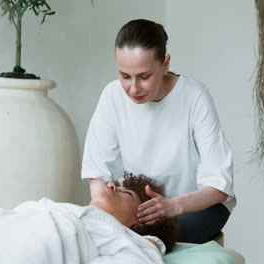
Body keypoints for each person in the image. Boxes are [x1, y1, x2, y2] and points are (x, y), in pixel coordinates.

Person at [82, 18, 235, 244]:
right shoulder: (112, 96)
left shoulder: (193, 96)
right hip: (141, 208)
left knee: (145, 238)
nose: (133, 88)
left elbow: (219, 186)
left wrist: (173, 206)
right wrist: (104, 214)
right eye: (125, 76)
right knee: (103, 234)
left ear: (165, 64)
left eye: (144, 77)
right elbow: (98, 173)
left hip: (195, 207)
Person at [0, 174, 178, 263]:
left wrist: (153, 242)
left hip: (40, 241)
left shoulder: (128, 240)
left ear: (140, 220)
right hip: (8, 223)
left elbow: (143, 256)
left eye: (123, 192)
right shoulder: (77, 214)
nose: (111, 185)